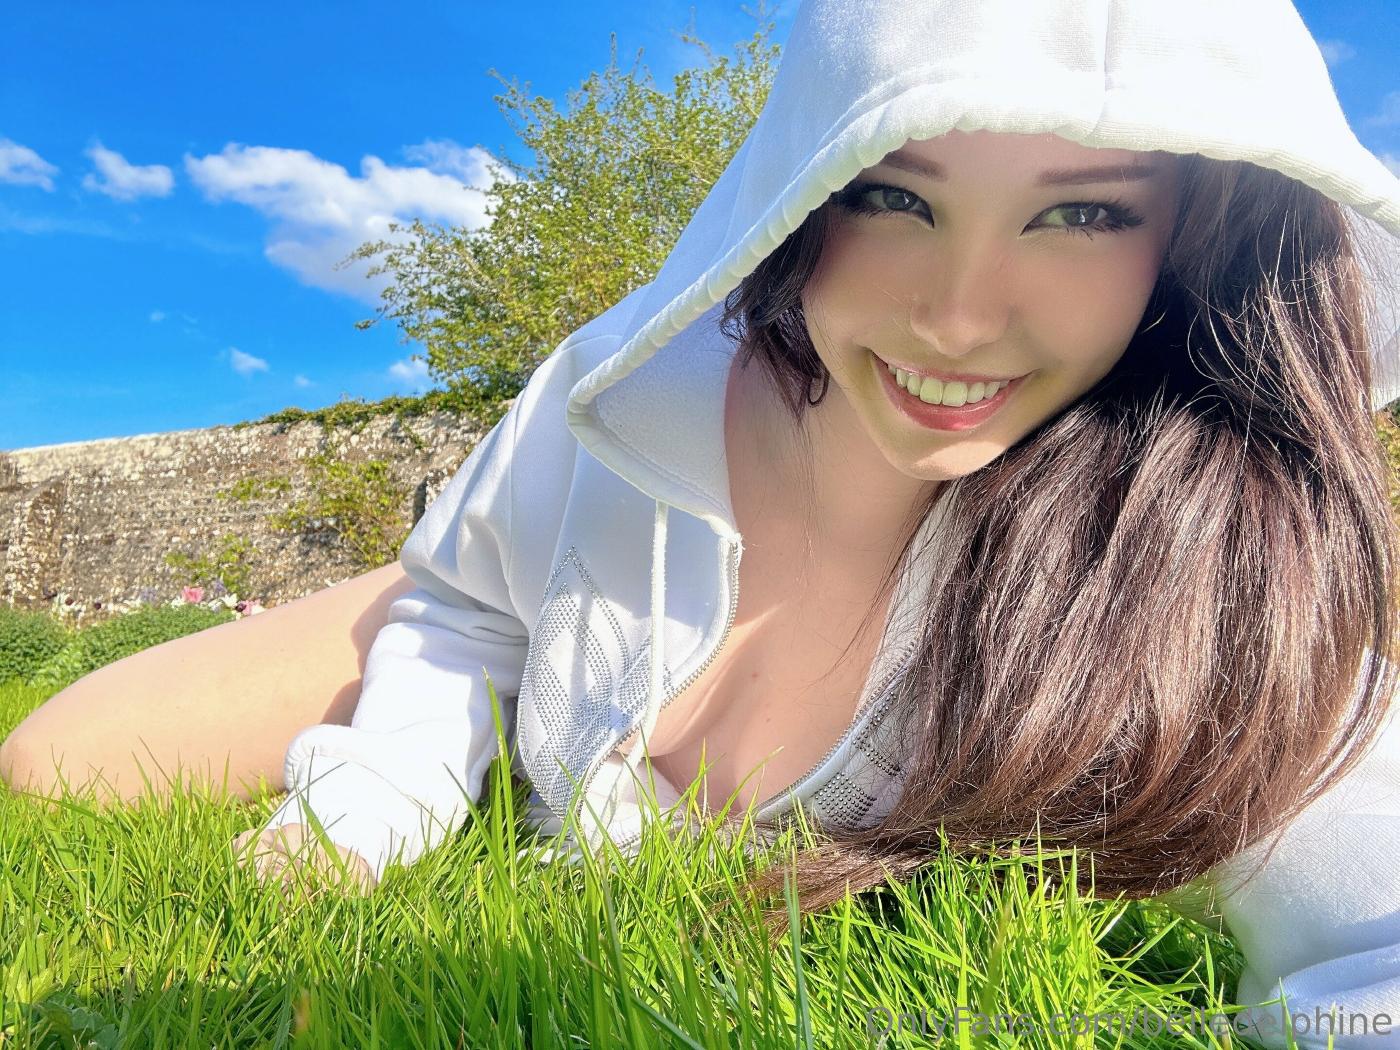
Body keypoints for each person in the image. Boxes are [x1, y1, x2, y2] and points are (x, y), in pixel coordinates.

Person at [5, 0, 1400, 1043]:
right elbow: (454, 621)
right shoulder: (620, 384)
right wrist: (377, 791)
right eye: (892, 194)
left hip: (518, 581)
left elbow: (1376, 944)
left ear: (1196, 237)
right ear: (801, 192)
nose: (960, 317)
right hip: (488, 584)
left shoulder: (1214, 571)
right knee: (52, 760)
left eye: (1084, 214)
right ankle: (479, 552)